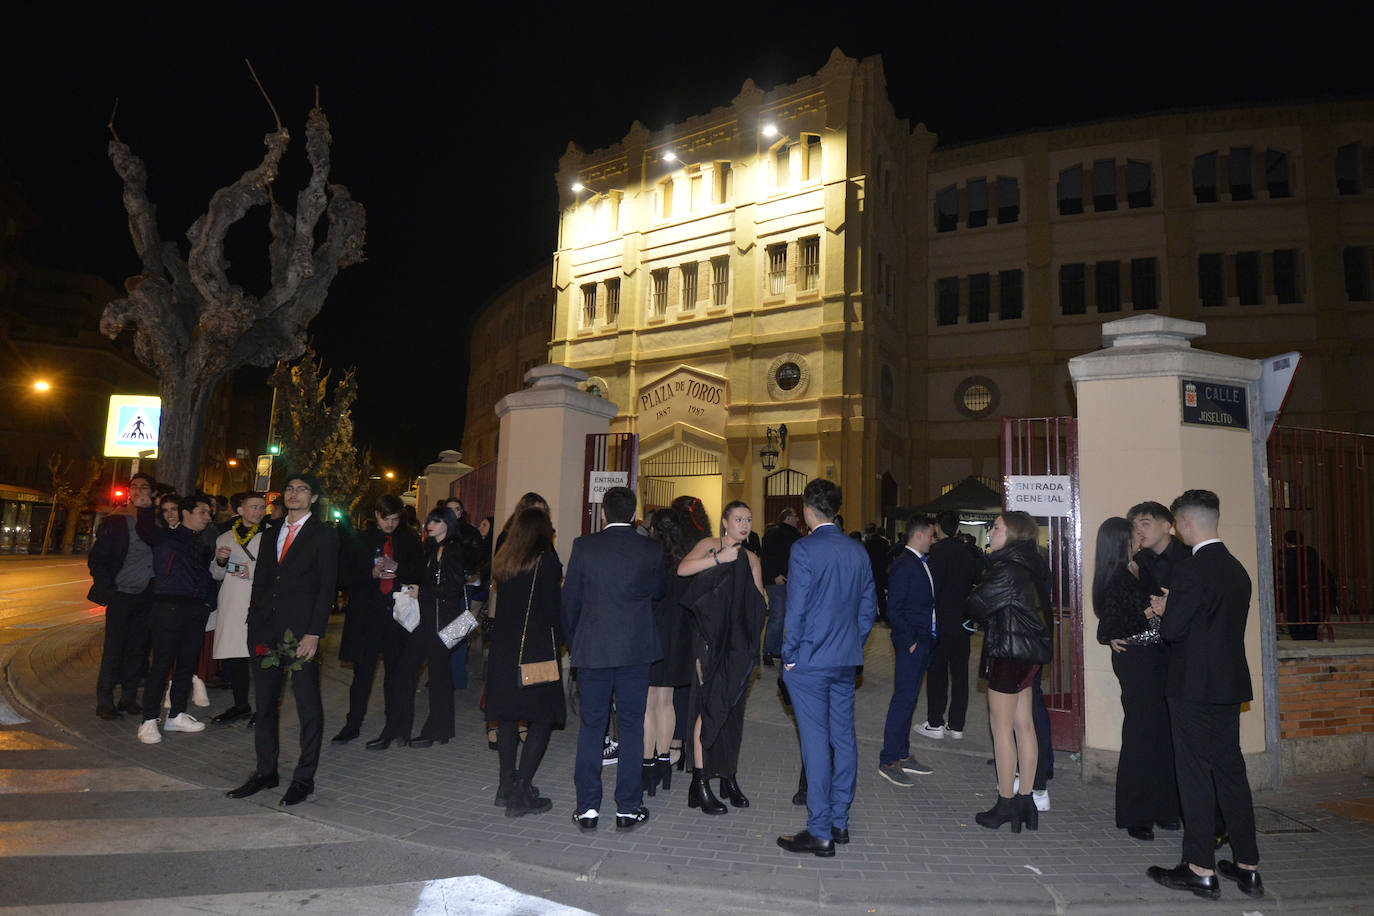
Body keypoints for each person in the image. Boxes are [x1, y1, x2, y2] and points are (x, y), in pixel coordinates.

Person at [1148, 490, 1263, 900]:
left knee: (1194, 773)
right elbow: (1217, 627)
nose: (1177, 530)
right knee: (1231, 770)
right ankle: (1248, 867)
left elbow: (1174, 631)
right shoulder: (1237, 569)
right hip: (1229, 685)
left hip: (1192, 686)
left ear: (1187, 523)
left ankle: (1200, 869)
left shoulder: (1191, 570)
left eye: (1177, 523)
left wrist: (1166, 611)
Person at [776, 479, 877, 857]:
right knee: (844, 737)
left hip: (810, 661)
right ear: (835, 509)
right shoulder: (857, 551)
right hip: (844, 659)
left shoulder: (803, 549)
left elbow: (796, 609)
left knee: (815, 742)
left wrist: (788, 654)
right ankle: (839, 820)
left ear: (806, 510)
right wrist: (851, 641)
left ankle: (819, 830)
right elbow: (868, 609)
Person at [227, 473, 339, 806]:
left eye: (302, 489)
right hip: (265, 631)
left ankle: (304, 779)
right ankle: (266, 772)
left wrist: (314, 632)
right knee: (264, 705)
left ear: (313, 498)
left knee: (307, 706)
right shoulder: (271, 531)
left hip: (300, 635)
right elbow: (262, 581)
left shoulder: (325, 535)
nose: (294, 494)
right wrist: (253, 624)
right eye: (290, 489)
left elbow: (326, 587)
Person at [562, 486, 667, 832]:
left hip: (593, 649)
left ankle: (588, 808)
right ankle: (627, 807)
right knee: (632, 726)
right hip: (635, 649)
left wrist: (575, 638)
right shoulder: (650, 548)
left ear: (603, 513)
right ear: (635, 514)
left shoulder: (584, 546)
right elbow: (660, 592)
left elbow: (571, 600)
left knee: (592, 727)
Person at [677, 500, 767, 814]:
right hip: (707, 642)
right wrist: (719, 559)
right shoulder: (708, 545)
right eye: (739, 518)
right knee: (708, 706)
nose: (744, 524)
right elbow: (683, 569)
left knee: (731, 713)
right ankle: (700, 782)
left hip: (737, 647)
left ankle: (728, 777)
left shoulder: (752, 558)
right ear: (725, 521)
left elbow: (760, 604)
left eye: (749, 519)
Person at [1092, 516, 1179, 842]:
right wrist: (1151, 612)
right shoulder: (1116, 577)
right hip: (1136, 661)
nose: (1139, 535)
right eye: (1134, 532)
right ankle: (1135, 814)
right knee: (1141, 734)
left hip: (1158, 658)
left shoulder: (1140, 565)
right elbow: (1109, 627)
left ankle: (1165, 809)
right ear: (1120, 541)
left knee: (1162, 733)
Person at [965, 511, 1052, 833]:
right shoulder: (1031, 564)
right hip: (1027, 654)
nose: (991, 532)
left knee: (1001, 729)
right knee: (1024, 725)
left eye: (997, 527)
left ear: (1013, 534)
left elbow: (975, 604)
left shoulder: (1007, 570)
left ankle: (1005, 803)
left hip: (1008, 653)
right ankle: (1026, 800)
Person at [485, 507, 565, 817]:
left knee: (507, 718)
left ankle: (505, 786)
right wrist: (561, 641)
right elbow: (552, 611)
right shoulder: (545, 563)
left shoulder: (504, 562)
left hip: (504, 651)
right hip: (533, 652)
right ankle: (521, 791)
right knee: (542, 718)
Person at [335, 494, 423, 747]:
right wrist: (371, 573)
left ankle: (392, 725)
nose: (390, 524)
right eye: (386, 519)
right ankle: (353, 724)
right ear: (377, 515)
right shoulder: (361, 540)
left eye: (395, 519)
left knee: (394, 675)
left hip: (397, 617)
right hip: (367, 616)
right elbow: (344, 577)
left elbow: (419, 574)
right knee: (362, 675)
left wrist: (399, 570)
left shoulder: (410, 541)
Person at [137, 494, 218, 743]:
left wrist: (207, 603)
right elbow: (146, 529)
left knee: (187, 663)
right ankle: (148, 720)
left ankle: (176, 715)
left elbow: (206, 576)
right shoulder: (166, 537)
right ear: (186, 513)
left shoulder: (202, 543)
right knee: (161, 664)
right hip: (169, 607)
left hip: (195, 610)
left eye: (208, 513)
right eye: (202, 512)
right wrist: (145, 507)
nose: (207, 517)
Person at [88, 472, 159, 721]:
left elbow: (154, 541)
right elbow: (98, 559)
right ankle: (104, 700)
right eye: (135, 487)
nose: (139, 490)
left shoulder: (157, 520)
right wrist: (109, 586)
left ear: (153, 493)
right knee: (114, 648)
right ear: (129, 492)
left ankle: (128, 697)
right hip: (121, 594)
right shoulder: (116, 520)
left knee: (138, 649)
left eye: (145, 487)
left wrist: (148, 512)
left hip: (147, 595)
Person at [395, 505, 467, 747]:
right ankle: (410, 727)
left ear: (447, 523)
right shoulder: (434, 548)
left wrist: (421, 591)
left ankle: (437, 729)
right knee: (415, 671)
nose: (430, 525)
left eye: (436, 521)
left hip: (442, 622)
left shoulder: (452, 550)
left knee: (438, 676)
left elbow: (454, 588)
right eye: (429, 521)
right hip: (429, 621)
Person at [877, 515, 937, 787]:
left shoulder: (919, 563)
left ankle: (902, 753)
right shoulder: (904, 564)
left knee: (910, 699)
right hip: (912, 642)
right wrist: (909, 640)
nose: (933, 540)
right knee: (902, 700)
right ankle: (888, 759)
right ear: (920, 534)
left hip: (924, 640)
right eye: (931, 535)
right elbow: (894, 609)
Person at [918, 510, 984, 741]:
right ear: (957, 529)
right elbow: (977, 581)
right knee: (960, 675)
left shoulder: (935, 554)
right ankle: (956, 725)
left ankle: (935, 722)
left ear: (937, 528)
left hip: (939, 622)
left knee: (937, 673)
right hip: (962, 622)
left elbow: (928, 589)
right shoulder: (969, 553)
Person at [642, 507, 694, 797]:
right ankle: (664, 762)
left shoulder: (649, 556)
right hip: (678, 637)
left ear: (654, 530)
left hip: (652, 635)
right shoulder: (685, 560)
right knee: (667, 701)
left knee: (648, 702)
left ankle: (647, 764)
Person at [209, 491, 267, 724]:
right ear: (240, 510)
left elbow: (276, 572)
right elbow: (216, 573)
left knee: (261, 657)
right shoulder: (224, 538)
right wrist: (221, 561)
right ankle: (240, 704)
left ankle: (264, 709)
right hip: (232, 601)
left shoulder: (270, 537)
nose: (259, 511)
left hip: (258, 602)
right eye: (254, 507)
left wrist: (249, 571)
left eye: (262, 507)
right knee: (236, 657)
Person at [759, 508, 802, 666]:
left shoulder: (797, 535)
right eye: (796, 516)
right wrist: (774, 575)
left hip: (791, 582)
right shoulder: (774, 534)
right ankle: (768, 650)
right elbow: (766, 557)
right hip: (777, 581)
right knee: (777, 616)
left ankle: (776, 649)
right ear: (789, 518)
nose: (798, 519)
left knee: (784, 617)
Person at [1128, 501, 1191, 591]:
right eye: (1135, 526)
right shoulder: (1136, 560)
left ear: (1166, 526)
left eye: (1145, 524)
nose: (1138, 531)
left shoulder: (1190, 555)